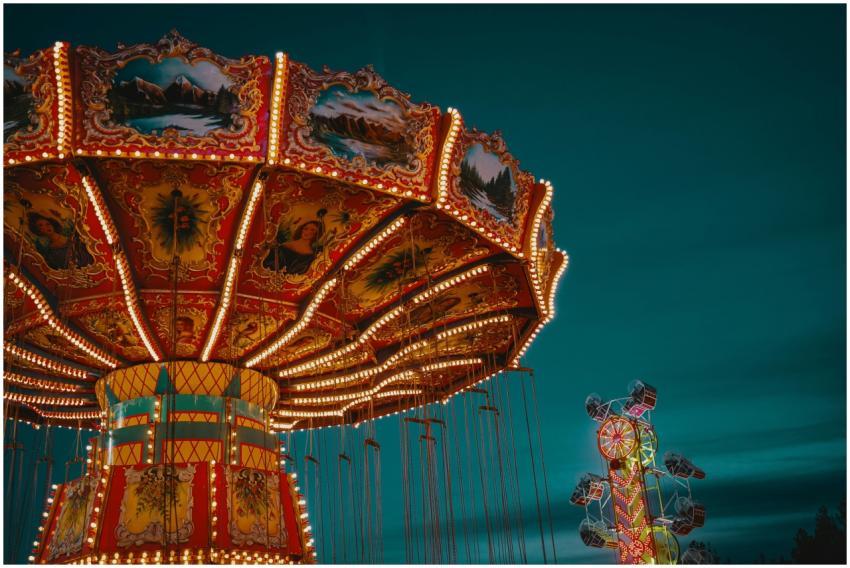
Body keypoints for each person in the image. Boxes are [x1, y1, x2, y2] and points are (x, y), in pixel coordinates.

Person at [27, 212, 94, 270]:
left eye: (48, 223)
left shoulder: (71, 234)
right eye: (41, 225)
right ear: (38, 230)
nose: (47, 227)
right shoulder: (51, 253)